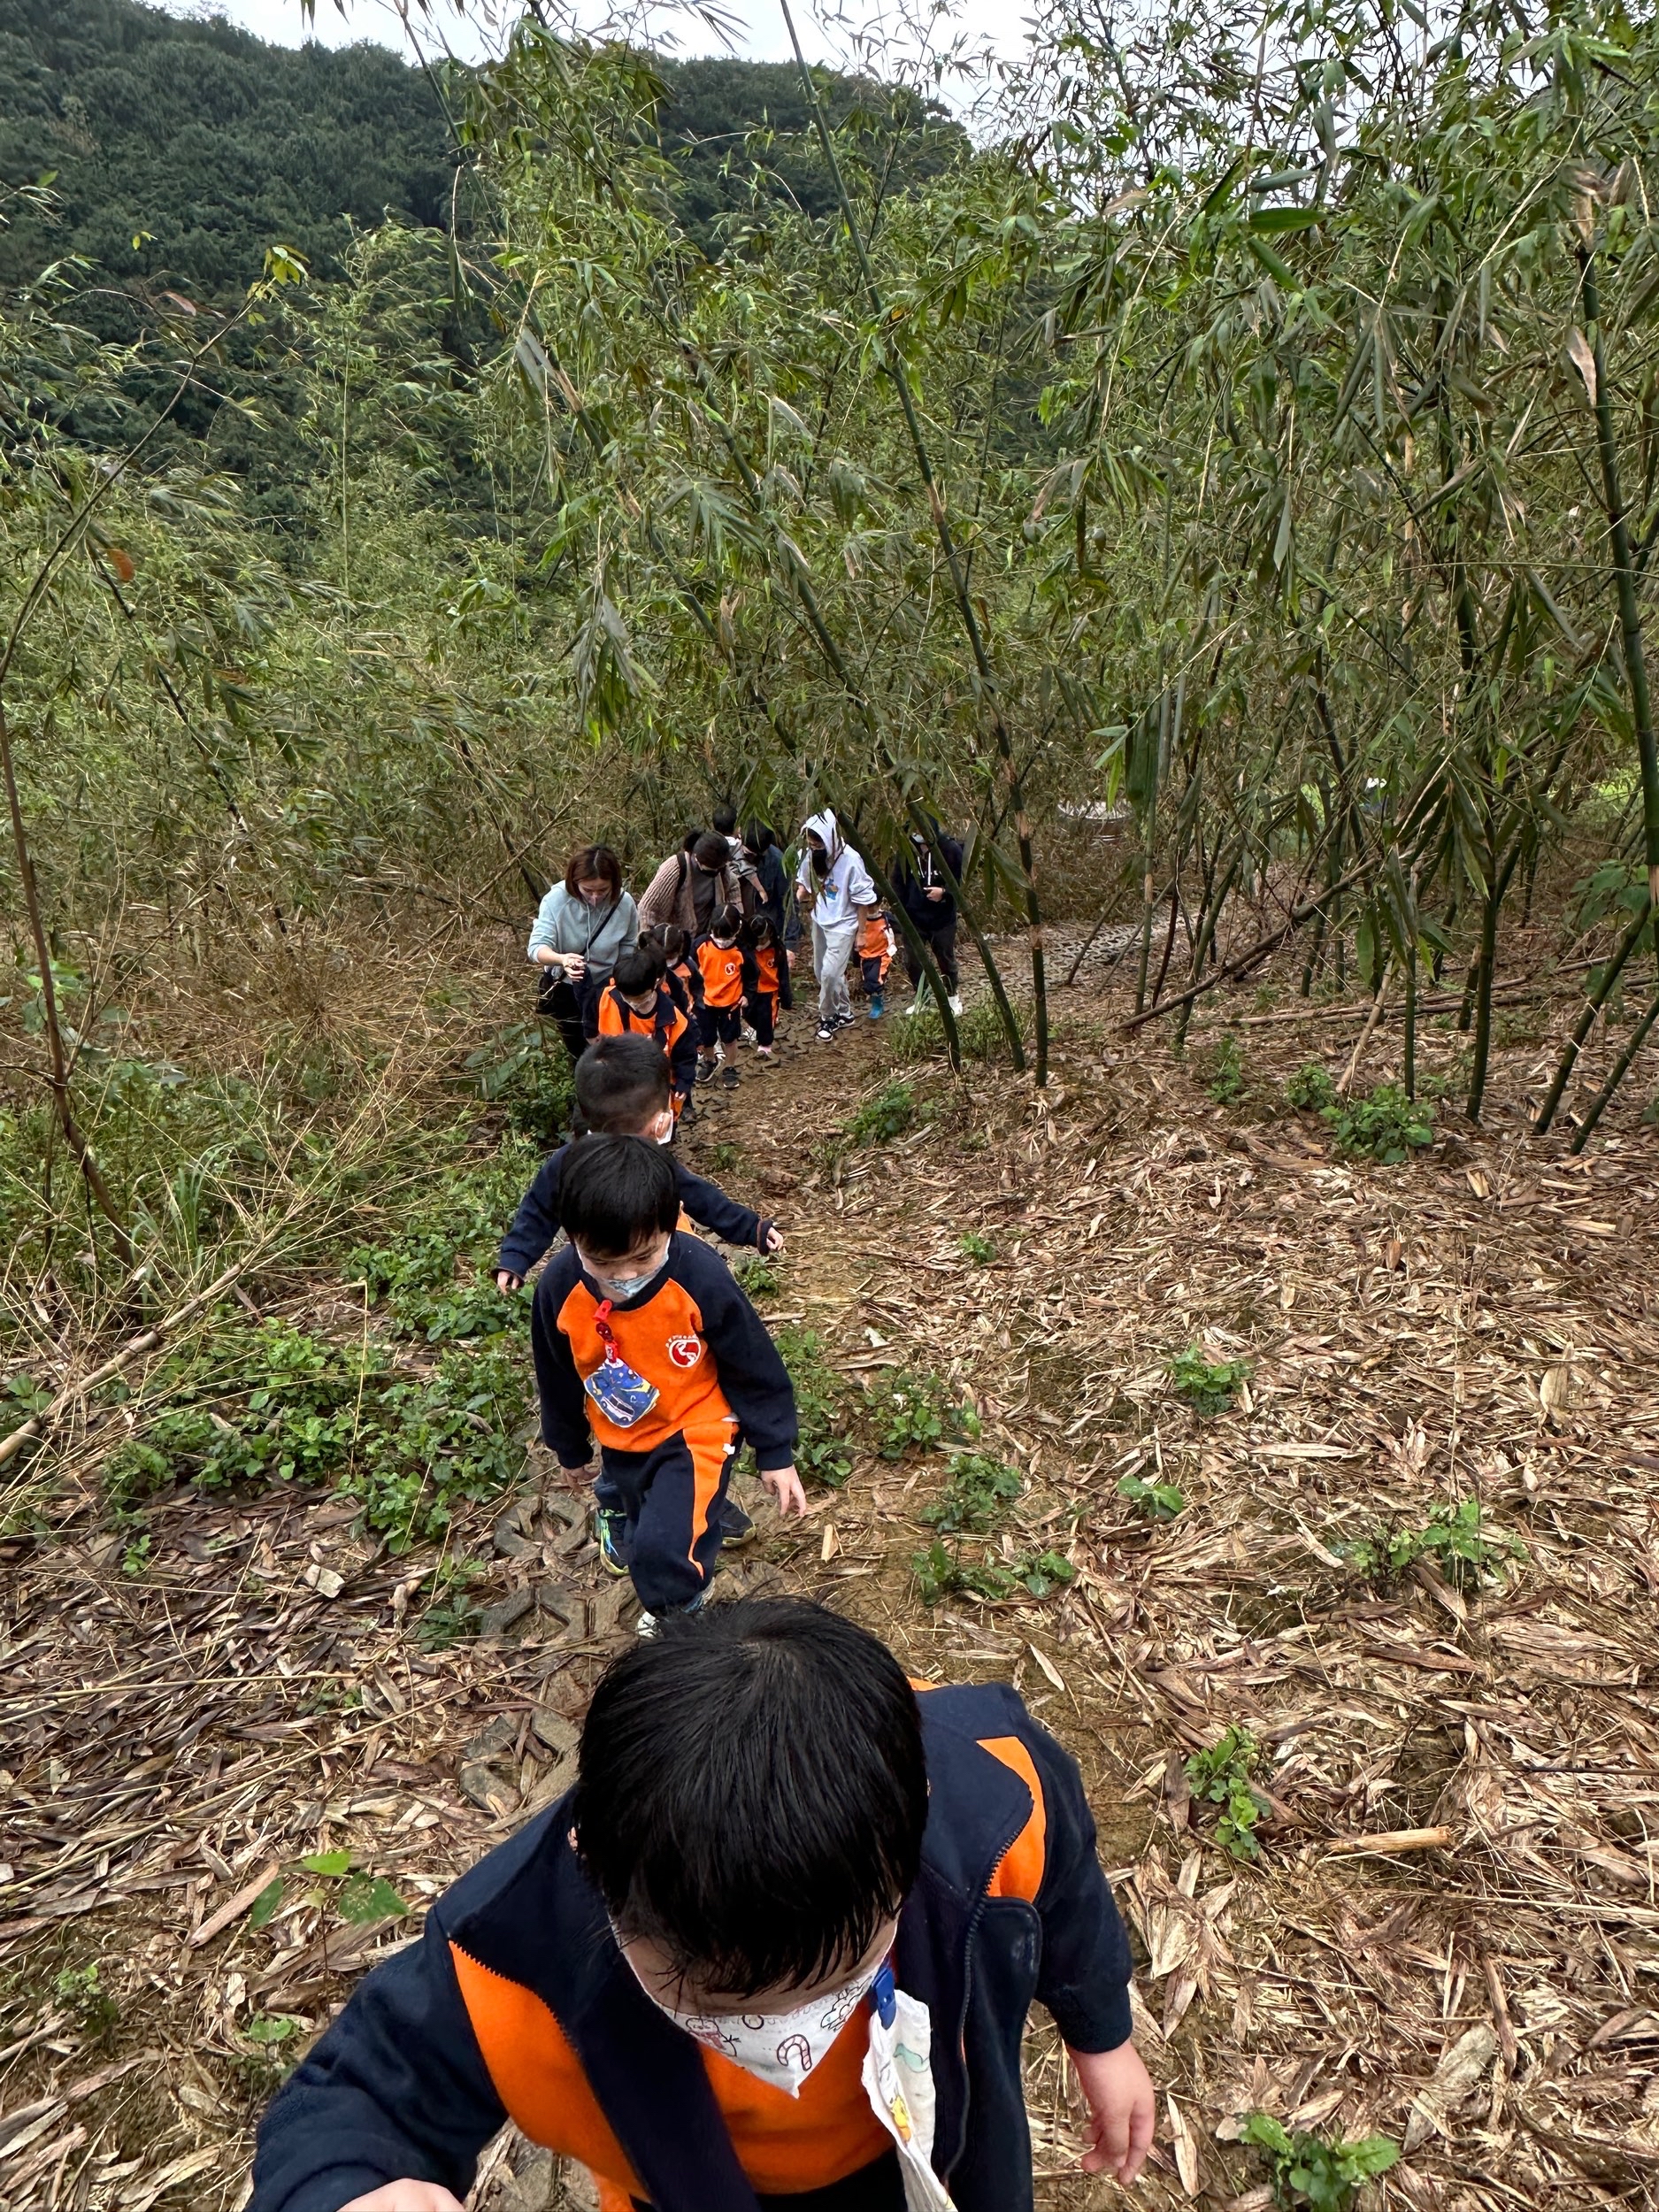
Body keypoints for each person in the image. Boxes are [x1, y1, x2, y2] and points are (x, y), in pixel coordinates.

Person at [249, 1598, 1156, 2212]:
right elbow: (357, 2098)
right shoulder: (504, 1951)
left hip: (923, 2150)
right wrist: (346, 2190)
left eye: (839, 1977)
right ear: (590, 1863)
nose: (792, 2038)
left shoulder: (993, 1794)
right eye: (724, 2007)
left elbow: (1068, 1885)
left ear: (915, 1816)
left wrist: (1100, 2032)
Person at [532, 1138, 805, 1624]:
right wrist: (568, 1446)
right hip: (624, 1432)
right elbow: (555, 1372)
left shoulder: (698, 1274)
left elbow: (751, 1361)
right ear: (572, 1237)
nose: (624, 1276)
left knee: (664, 1549)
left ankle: (682, 1619)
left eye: (643, 1258)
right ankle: (686, 1549)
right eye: (603, 1263)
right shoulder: (559, 1287)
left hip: (697, 1425)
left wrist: (775, 1449)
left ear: (670, 1224)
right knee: (646, 1530)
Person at [495, 1037, 783, 1293]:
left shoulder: (568, 1160)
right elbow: (700, 1196)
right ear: (659, 1122)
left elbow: (538, 1209)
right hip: (607, 1272)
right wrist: (516, 1257)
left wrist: (750, 1227)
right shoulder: (628, 1162)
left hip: (641, 1267)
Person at [527, 846, 640, 1060]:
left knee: (612, 1049)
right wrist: (562, 959)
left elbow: (628, 943)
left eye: (603, 890)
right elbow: (537, 947)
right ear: (575, 882)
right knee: (579, 1051)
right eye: (588, 890)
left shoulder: (624, 903)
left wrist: (621, 975)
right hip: (568, 988)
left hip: (608, 987)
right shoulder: (556, 900)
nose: (595, 897)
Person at [795, 810, 877, 1043]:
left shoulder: (851, 860)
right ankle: (845, 1012)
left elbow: (863, 900)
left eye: (818, 843)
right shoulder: (808, 855)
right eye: (811, 844)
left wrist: (862, 933)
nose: (814, 847)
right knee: (821, 971)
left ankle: (827, 1017)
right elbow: (805, 885)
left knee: (830, 974)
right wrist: (796, 898)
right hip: (820, 919)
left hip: (844, 924)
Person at [596, 946, 699, 1115]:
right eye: (628, 998)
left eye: (641, 999)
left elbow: (686, 1056)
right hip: (621, 1091)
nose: (634, 1003)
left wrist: (684, 1083)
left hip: (659, 1093)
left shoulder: (675, 1020)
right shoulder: (608, 998)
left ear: (655, 983)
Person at [891, 822, 964, 1015]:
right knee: (913, 960)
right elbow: (898, 881)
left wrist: (945, 893)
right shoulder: (907, 849)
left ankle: (952, 998)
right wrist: (900, 910)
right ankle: (922, 998)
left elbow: (960, 883)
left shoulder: (950, 849)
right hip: (914, 916)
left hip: (942, 917)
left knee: (945, 958)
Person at [639, 831, 747, 940]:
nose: (716, 871)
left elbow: (733, 887)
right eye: (711, 870)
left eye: (718, 868)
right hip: (676, 939)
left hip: (706, 937)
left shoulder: (721, 870)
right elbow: (647, 908)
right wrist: (650, 940)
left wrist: (733, 917)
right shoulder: (676, 868)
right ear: (697, 859)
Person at [695, 904, 747, 1088]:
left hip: (731, 1003)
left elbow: (751, 975)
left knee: (729, 1038)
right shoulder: (700, 944)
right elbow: (690, 970)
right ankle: (710, 1061)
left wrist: (747, 995)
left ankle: (730, 1067)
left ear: (736, 930)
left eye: (726, 937)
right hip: (704, 1002)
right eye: (719, 936)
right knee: (706, 1037)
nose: (722, 941)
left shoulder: (741, 949)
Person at [742, 911, 789, 1057]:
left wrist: (786, 996)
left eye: (763, 940)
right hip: (751, 990)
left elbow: (784, 974)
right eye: (757, 941)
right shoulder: (746, 950)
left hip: (770, 990)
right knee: (748, 1014)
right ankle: (757, 1029)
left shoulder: (778, 950)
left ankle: (765, 1044)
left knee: (766, 1017)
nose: (760, 945)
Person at [855, 910, 895, 1022]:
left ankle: (878, 1005)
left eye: (874, 905)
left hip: (881, 956)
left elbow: (901, 927)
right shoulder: (860, 918)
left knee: (876, 981)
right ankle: (876, 1002)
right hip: (865, 956)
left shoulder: (886, 918)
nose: (871, 909)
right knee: (868, 983)